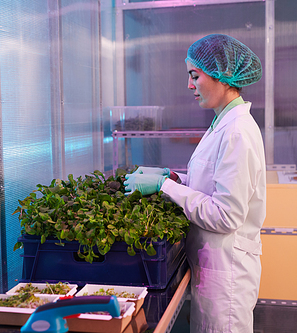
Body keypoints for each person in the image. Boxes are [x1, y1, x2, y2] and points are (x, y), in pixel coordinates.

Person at [124, 34, 266, 333]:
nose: (189, 85)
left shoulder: (237, 131)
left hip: (226, 274)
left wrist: (164, 187)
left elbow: (225, 215)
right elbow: (212, 185)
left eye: (194, 75)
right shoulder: (221, 123)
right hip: (212, 265)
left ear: (223, 77)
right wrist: (174, 179)